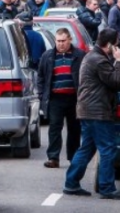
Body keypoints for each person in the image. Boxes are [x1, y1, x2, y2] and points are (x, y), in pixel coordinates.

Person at [63, 28, 120, 199]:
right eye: (116, 45)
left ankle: (71, 183)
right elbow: (115, 81)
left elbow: (105, 82)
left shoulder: (92, 56)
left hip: (88, 109)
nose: (118, 48)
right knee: (108, 148)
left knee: (87, 147)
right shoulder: (100, 60)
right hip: (97, 111)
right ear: (109, 45)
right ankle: (107, 188)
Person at [37, 28, 86, 169]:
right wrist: (42, 95)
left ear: (70, 40)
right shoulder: (48, 56)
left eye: (63, 41)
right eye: (58, 41)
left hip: (74, 98)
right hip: (55, 98)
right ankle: (53, 158)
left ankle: (73, 157)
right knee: (54, 128)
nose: (61, 44)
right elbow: (41, 77)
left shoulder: (79, 55)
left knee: (74, 129)